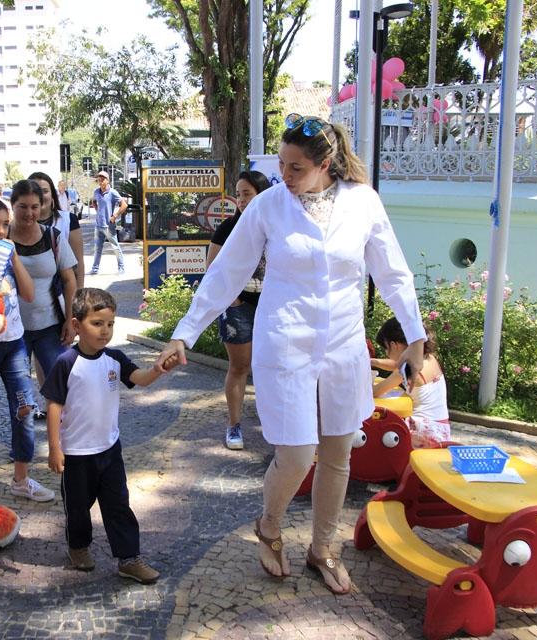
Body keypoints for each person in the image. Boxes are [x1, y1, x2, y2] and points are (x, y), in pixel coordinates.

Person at [156, 113, 426, 595]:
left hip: (343, 345)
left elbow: (393, 273)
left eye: (296, 167)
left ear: (326, 164)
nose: (285, 174)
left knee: (339, 453)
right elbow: (227, 272)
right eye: (281, 163)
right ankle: (270, 526)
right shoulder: (268, 207)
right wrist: (185, 333)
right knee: (298, 454)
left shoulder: (362, 202)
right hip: (286, 343)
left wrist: (415, 333)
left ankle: (323, 548)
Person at [41, 288, 178, 583]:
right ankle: (78, 547)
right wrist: (55, 447)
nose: (105, 331)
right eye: (97, 323)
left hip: (109, 450)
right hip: (76, 455)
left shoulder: (115, 359)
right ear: (76, 326)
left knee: (118, 505)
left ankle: (129, 558)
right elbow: (54, 405)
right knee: (77, 508)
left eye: (110, 324)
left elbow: (139, 379)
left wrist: (157, 369)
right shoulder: (67, 362)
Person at [0, 197, 55, 501]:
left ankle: (21, 479)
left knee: (24, 408)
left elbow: (28, 294)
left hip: (14, 343)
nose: (0, 231)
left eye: (5, 224)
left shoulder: (7, 257)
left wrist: (14, 259)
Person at [207, 170, 271, 451]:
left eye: (248, 193)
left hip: (272, 307)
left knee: (273, 367)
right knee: (240, 367)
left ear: (262, 195)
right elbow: (212, 269)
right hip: (239, 307)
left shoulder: (276, 227)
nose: (242, 200)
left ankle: (275, 425)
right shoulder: (227, 228)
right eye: (239, 193)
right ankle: (234, 426)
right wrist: (232, 301)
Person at [8, 179, 78, 427]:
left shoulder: (53, 237)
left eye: (34, 207)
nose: (29, 213)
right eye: (23, 206)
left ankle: (65, 441)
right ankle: (22, 451)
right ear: (12, 205)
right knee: (20, 394)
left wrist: (70, 320)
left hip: (50, 327)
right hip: (13, 332)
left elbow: (70, 280)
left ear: (42, 207)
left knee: (63, 384)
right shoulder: (1, 238)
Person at [373, 317, 450, 448]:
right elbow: (395, 364)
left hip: (423, 434)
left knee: (379, 432)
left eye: (386, 348)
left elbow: (375, 392)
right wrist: (372, 361)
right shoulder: (428, 358)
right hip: (441, 430)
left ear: (394, 345)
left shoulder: (407, 369)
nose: (386, 353)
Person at [30, 172, 84, 288]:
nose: (40, 196)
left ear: (52, 195)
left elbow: (78, 263)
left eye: (44, 191)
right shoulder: (18, 226)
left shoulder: (68, 220)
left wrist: (80, 296)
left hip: (65, 293)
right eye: (35, 191)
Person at [89, 171, 126, 275]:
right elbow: (94, 202)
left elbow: (124, 205)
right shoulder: (96, 192)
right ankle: (95, 269)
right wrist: (98, 212)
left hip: (109, 226)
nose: (100, 181)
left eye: (102, 179)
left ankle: (121, 268)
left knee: (115, 247)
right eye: (98, 179)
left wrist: (115, 216)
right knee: (97, 248)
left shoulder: (112, 193)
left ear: (107, 180)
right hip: (98, 225)